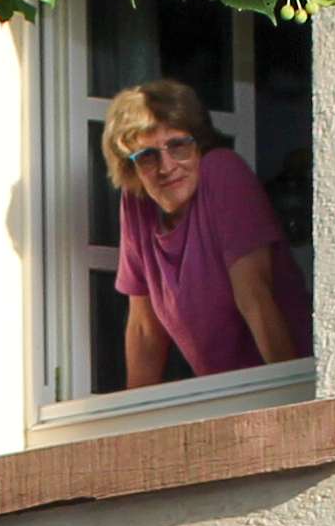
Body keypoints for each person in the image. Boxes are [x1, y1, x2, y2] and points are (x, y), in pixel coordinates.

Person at [105, 80, 311, 385]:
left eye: (178, 146)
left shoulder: (223, 171)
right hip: (221, 395)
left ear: (199, 144)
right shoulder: (137, 203)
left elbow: (254, 295)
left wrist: (289, 400)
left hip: (278, 379)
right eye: (148, 156)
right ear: (130, 167)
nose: (166, 167)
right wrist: (131, 423)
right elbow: (144, 329)